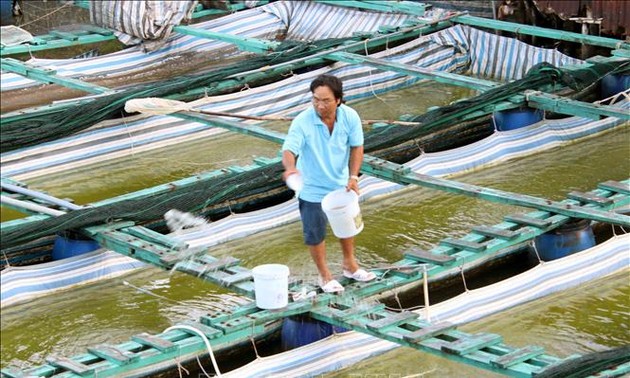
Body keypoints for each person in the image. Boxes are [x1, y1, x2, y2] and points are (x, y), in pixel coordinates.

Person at [281, 74, 376, 293]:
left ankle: (350, 265)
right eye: (315, 99)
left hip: (340, 183)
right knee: (315, 233)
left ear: (339, 100)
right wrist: (290, 168)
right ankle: (325, 275)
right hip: (312, 187)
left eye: (325, 100)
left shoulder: (350, 117)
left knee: (347, 224)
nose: (319, 105)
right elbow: (289, 149)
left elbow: (357, 147)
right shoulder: (303, 121)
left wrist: (353, 177)